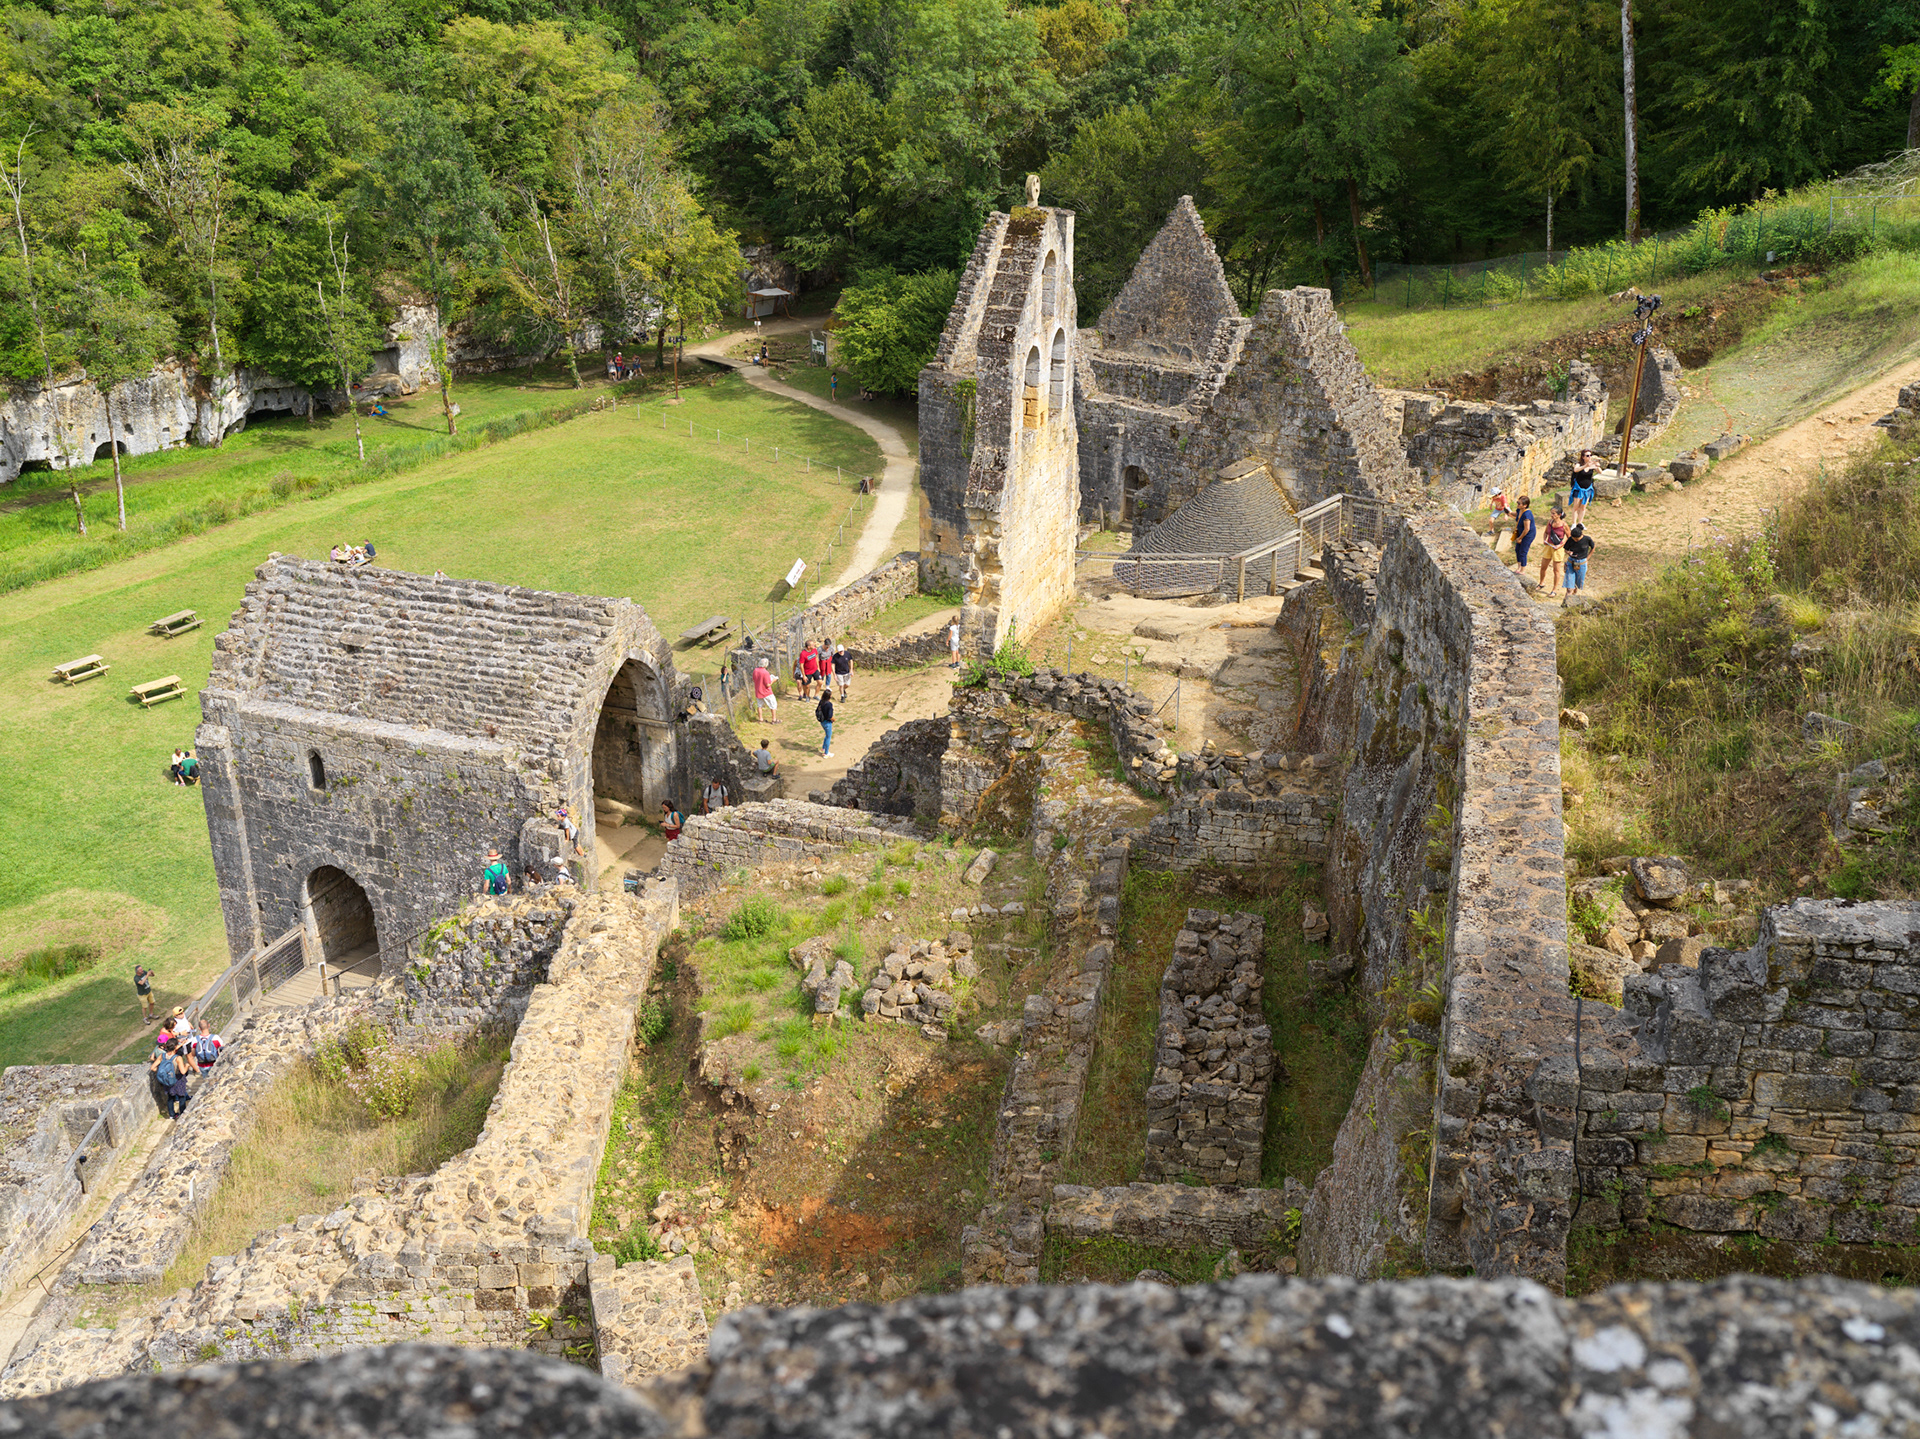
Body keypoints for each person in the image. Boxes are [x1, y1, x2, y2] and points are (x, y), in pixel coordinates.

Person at [1537, 508, 1570, 595]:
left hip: (1558, 549)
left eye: (1553, 513)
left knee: (1556, 570)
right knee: (1543, 567)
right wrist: (1544, 539)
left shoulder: (1564, 525)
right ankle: (1541, 583)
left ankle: (1554, 590)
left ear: (1559, 515)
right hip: (1549, 546)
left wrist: (1560, 545)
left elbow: (1569, 537)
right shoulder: (1550, 522)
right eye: (1551, 513)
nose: (1551, 515)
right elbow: (1545, 532)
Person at [1562, 524, 1595, 605]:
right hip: (1571, 563)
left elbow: (1593, 548)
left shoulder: (1587, 539)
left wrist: (1587, 559)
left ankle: (1572, 600)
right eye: (1574, 539)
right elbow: (1565, 549)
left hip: (1580, 563)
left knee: (1576, 585)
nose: (1576, 540)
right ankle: (1565, 603)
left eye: (1577, 539)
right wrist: (1568, 552)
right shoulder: (1570, 539)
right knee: (1569, 587)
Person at [1568, 450, 1597, 526]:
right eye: (1587, 456)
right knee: (1576, 507)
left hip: (1588, 489)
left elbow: (1600, 472)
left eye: (1590, 455)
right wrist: (1585, 466)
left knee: (1583, 507)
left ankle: (1580, 523)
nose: (1589, 457)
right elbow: (1576, 470)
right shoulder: (1579, 464)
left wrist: (1597, 465)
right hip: (1578, 489)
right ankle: (1574, 523)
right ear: (1583, 457)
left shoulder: (1592, 465)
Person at [1510, 497, 1537, 571]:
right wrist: (1508, 511)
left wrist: (1520, 538)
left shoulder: (1527, 514)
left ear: (1525, 505)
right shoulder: (1519, 510)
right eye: (1517, 502)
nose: (1517, 504)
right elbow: (1516, 515)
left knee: (1523, 551)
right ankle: (1519, 567)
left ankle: (1522, 570)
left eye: (1519, 503)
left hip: (1528, 534)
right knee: (1517, 549)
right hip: (1521, 532)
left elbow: (1527, 529)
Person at [1486, 488, 1512, 552]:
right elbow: (1492, 500)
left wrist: (1506, 514)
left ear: (1497, 495)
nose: (1493, 497)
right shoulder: (1494, 497)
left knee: (1514, 516)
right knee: (1490, 520)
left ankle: (1519, 526)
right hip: (1497, 509)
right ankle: (1491, 531)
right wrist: (1491, 505)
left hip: (1505, 508)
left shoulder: (1503, 497)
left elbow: (1505, 506)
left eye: (1493, 496)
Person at [816, 689, 834, 758]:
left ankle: (823, 748)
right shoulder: (829, 704)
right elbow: (829, 716)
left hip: (822, 722)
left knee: (827, 735)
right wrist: (833, 719)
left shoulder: (821, 702)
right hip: (827, 723)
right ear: (829, 696)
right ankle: (826, 753)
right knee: (828, 737)